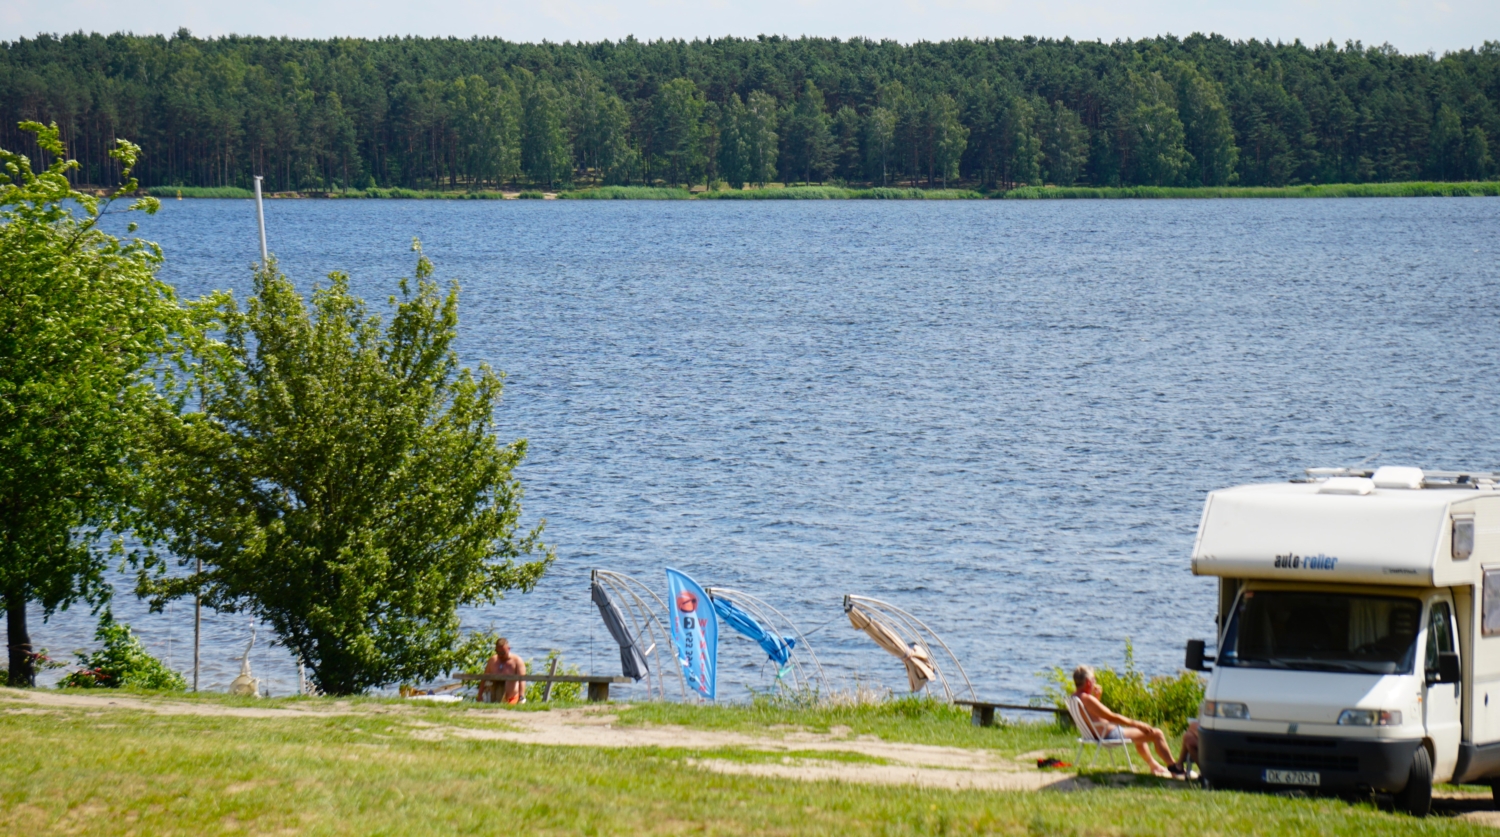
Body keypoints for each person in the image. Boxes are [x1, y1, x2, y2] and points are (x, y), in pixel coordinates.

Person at [1071, 664, 1177, 778]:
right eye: (1094, 679)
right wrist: (1137, 723)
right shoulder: (1087, 699)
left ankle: (1153, 765)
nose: (1095, 681)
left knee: (1140, 734)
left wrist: (1097, 697)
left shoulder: (1075, 697)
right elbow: (1111, 716)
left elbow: (1092, 715)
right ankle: (1175, 768)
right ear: (1088, 682)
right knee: (1157, 733)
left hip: (1096, 734)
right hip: (1109, 735)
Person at [479, 638, 527, 705]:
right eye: (498, 652)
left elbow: (522, 680)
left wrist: (521, 697)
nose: (500, 655)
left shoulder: (517, 661)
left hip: (512, 698)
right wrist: (480, 695)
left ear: (509, 649)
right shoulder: (492, 660)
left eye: (503, 653)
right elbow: (484, 678)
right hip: (494, 698)